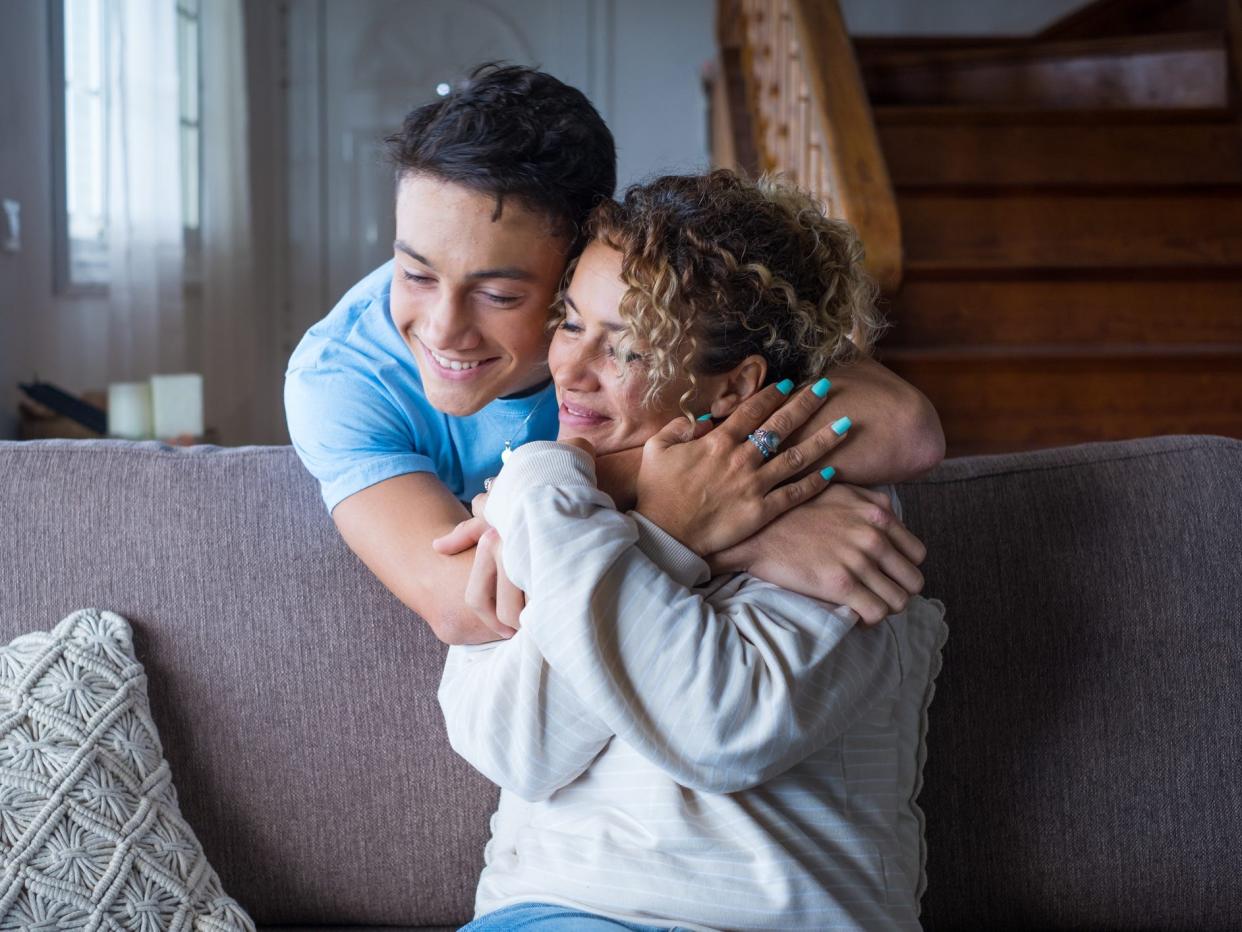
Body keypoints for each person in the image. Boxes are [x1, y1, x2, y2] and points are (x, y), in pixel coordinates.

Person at [439, 170, 949, 930]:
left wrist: (549, 494)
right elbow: (517, 749)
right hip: (545, 912)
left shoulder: (838, 522)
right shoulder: (551, 501)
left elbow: (718, 731)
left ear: (732, 385)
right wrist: (667, 534)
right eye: (571, 322)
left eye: (628, 349)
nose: (570, 369)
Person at [283, 64, 945, 647]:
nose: (443, 328)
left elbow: (903, 428)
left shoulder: (644, 312)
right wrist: (720, 527)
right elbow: (467, 606)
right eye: (416, 274)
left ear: (583, 260)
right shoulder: (337, 379)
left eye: (500, 293)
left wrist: (592, 486)